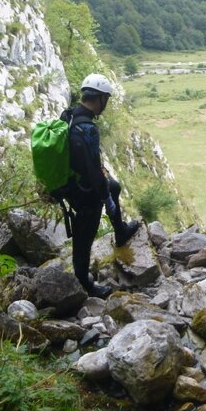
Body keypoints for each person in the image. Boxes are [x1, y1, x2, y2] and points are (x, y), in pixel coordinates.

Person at [62, 73, 140, 298]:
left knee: (114, 186)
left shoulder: (69, 115)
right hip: (85, 191)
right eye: (106, 99)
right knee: (84, 235)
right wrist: (105, 199)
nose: (105, 104)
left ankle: (121, 231)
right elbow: (94, 170)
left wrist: (107, 187)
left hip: (71, 183)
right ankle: (84, 284)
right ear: (99, 99)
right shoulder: (88, 128)